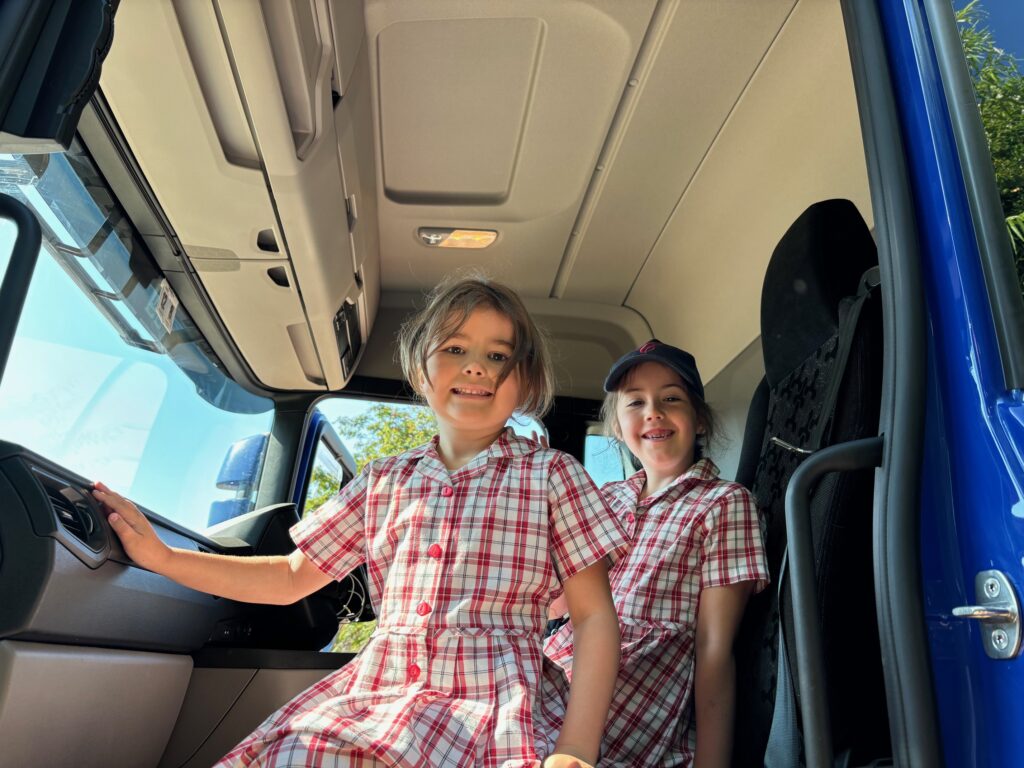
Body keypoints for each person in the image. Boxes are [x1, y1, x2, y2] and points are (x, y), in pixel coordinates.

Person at [92, 277, 630, 768]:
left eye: (498, 355)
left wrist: (576, 751)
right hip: (381, 692)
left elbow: (593, 618)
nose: (476, 366)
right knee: (297, 753)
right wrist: (164, 558)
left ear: (525, 379)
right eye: (456, 349)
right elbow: (289, 578)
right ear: (422, 369)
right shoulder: (383, 481)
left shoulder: (552, 475)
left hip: (497, 701)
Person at [538, 340, 769, 767]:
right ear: (617, 425)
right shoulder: (603, 498)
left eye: (671, 398)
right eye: (636, 402)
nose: (653, 411)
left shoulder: (722, 503)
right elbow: (555, 607)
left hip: (631, 702)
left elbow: (714, 648)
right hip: (559, 674)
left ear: (699, 420)